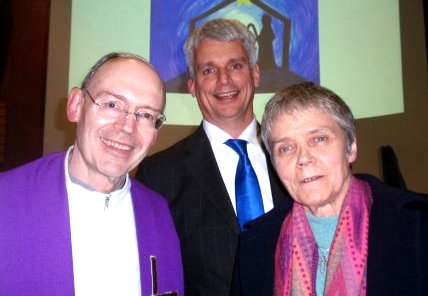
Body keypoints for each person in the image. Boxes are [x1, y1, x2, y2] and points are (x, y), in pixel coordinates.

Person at [0, 52, 184, 296]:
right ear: (76, 105)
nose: (127, 127)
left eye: (146, 115)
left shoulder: (158, 212)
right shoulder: (7, 201)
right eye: (112, 104)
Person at [136, 19, 289, 296]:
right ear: (193, 86)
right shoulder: (158, 175)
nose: (224, 79)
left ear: (255, 74)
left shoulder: (293, 155)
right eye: (209, 70)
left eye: (235, 65)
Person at [231, 82, 428, 295]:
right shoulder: (254, 245)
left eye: (319, 139)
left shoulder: (418, 224)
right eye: (285, 148)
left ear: (351, 147)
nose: (304, 158)